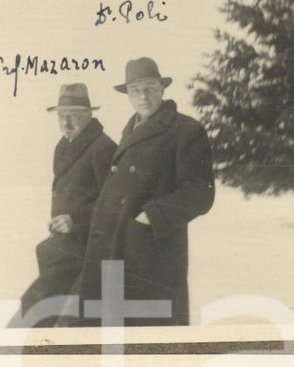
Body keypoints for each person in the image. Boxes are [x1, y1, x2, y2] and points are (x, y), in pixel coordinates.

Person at [69, 57, 215, 327]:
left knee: (148, 331)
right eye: (135, 90)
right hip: (113, 244)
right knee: (109, 331)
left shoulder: (185, 129)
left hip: (151, 250)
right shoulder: (130, 130)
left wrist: (152, 215)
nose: (143, 96)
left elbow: (199, 192)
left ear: (162, 88)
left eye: (150, 87)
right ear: (128, 94)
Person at [12, 82, 115, 326]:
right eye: (61, 116)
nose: (66, 124)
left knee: (34, 309)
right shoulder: (63, 146)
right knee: (48, 316)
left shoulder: (104, 148)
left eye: (73, 116)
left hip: (86, 252)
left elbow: (112, 204)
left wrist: (76, 220)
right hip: (62, 249)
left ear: (89, 115)